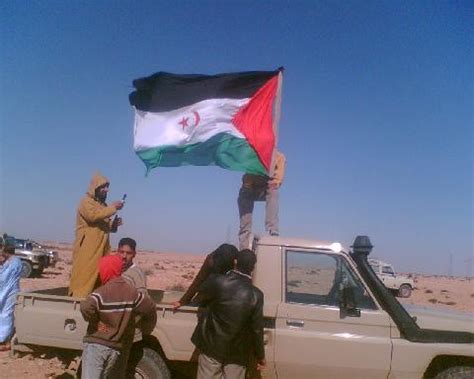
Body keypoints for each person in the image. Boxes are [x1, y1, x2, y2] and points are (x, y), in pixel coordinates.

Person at [191, 249, 265, 379]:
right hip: (237, 354)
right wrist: (260, 356)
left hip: (211, 347)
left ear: (235, 262)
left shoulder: (217, 282)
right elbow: (257, 329)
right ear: (253, 267)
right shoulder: (256, 295)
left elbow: (199, 297)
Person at [80, 255, 157, 379]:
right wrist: (146, 329)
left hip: (97, 345)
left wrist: (98, 323)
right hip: (115, 347)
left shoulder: (101, 292)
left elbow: (85, 307)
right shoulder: (132, 292)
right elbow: (150, 308)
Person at [69, 172, 124, 297]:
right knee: (85, 276)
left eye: (107, 187)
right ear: (96, 188)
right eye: (103, 187)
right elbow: (92, 217)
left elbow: (103, 225)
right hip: (88, 248)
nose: (107, 190)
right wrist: (113, 207)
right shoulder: (86, 202)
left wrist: (113, 225)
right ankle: (77, 300)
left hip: (102, 248)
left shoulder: (102, 206)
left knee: (100, 277)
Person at [238, 150, 286, 249]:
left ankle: (272, 230)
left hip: (266, 188)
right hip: (249, 188)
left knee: (273, 191)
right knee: (245, 224)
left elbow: (277, 181)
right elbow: (247, 182)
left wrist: (274, 180)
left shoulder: (279, 157)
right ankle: (244, 248)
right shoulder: (251, 154)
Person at [172, 243, 238, 309]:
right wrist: (183, 301)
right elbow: (198, 281)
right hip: (206, 297)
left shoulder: (233, 263)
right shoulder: (211, 260)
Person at [0, 241, 22, 351]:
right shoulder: (11, 261)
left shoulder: (14, 262)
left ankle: (4, 340)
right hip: (6, 291)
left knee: (6, 314)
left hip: (10, 292)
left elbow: (4, 277)